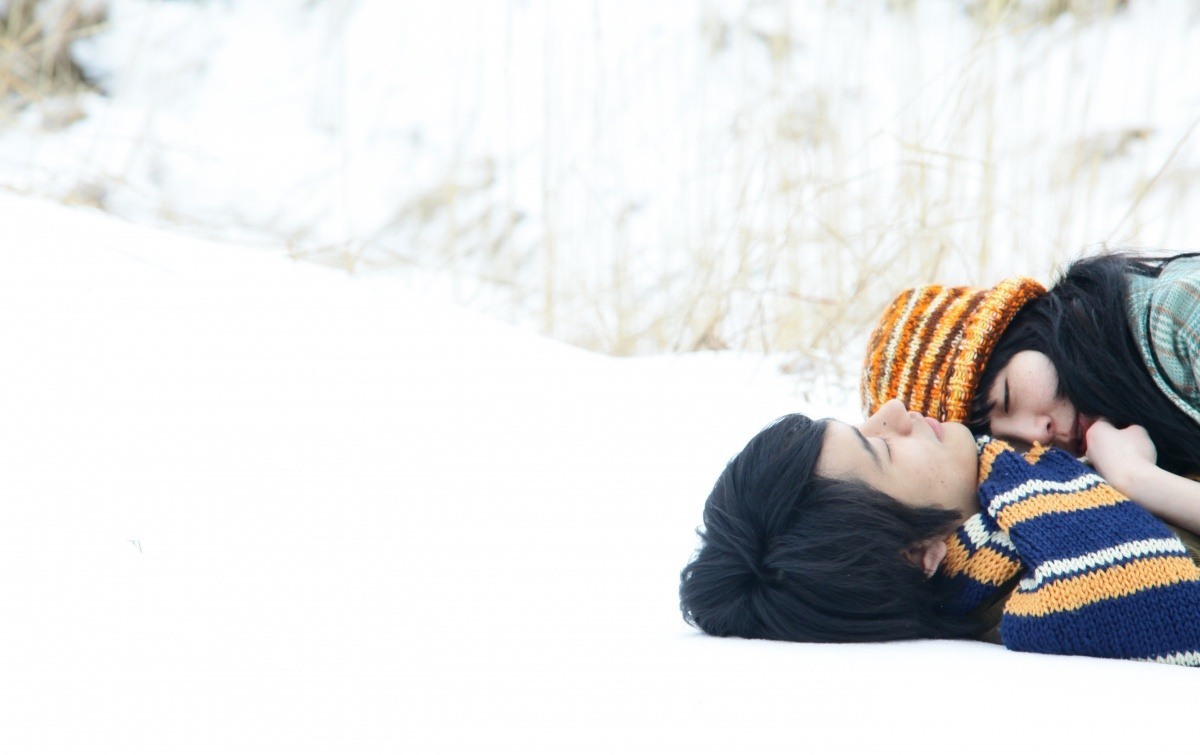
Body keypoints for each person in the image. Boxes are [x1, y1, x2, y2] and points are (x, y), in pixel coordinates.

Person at [679, 398, 1200, 664]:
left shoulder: (1027, 488)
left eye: (861, 425)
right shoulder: (1068, 596)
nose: (892, 411)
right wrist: (1141, 480)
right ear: (918, 556)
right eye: (881, 448)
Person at [861, 251, 1200, 537]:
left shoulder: (1179, 311)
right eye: (1007, 444)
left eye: (1008, 398)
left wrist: (1138, 480)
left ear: (1026, 328)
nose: (1037, 435)